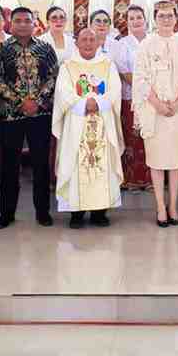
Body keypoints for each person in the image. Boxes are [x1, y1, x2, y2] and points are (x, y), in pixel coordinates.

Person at [0, 7, 60, 228]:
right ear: (10, 24)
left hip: (40, 114)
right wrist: (20, 102)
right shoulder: (1, 50)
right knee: (9, 165)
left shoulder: (45, 48)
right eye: (18, 21)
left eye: (27, 21)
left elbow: (54, 76)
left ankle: (43, 212)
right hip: (11, 116)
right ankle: (6, 213)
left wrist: (37, 101)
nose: (22, 24)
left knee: (41, 163)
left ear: (34, 23)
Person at [134, 1, 178, 227]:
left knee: (175, 160)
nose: (166, 19)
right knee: (157, 160)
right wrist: (158, 104)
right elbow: (140, 78)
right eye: (161, 16)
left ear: (176, 18)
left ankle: (173, 206)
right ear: (155, 18)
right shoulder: (146, 45)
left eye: (170, 15)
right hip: (154, 110)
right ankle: (160, 206)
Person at [53, 27, 124, 228]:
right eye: (84, 39)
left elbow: (115, 89)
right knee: (75, 163)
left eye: (92, 39)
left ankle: (99, 212)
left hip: (102, 121)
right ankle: (76, 213)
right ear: (76, 43)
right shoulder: (67, 66)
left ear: (98, 42)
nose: (88, 43)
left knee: (102, 165)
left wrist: (97, 103)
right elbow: (63, 92)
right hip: (76, 123)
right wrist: (84, 104)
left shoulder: (108, 65)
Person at [116, 5, 151, 190]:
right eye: (131, 18)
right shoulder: (123, 44)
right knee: (131, 137)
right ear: (127, 22)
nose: (136, 21)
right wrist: (141, 89)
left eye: (139, 17)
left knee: (149, 137)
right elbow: (124, 72)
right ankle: (131, 179)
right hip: (131, 97)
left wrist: (149, 91)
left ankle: (150, 180)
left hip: (152, 98)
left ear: (145, 19)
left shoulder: (154, 40)